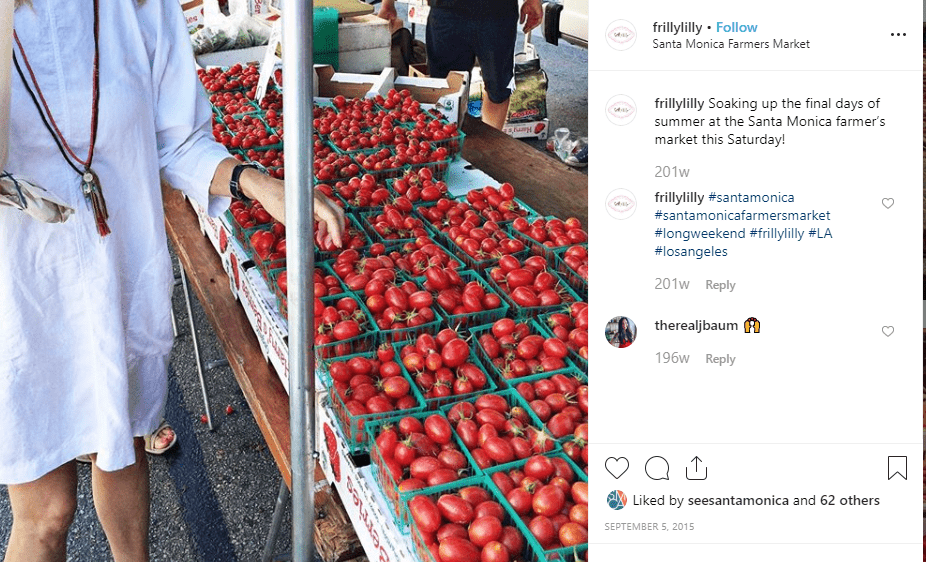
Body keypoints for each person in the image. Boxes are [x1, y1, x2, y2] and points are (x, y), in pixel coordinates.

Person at [1, 1, 344, 560]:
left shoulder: (135, 8)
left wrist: (256, 183)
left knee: (126, 442)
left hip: (122, 273)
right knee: (46, 512)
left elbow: (177, 139)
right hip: (26, 289)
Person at [378, 0, 543, 129]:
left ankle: (489, 149)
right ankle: (445, 142)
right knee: (445, 88)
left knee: (497, 88)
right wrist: (388, 3)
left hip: (498, 13)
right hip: (446, 11)